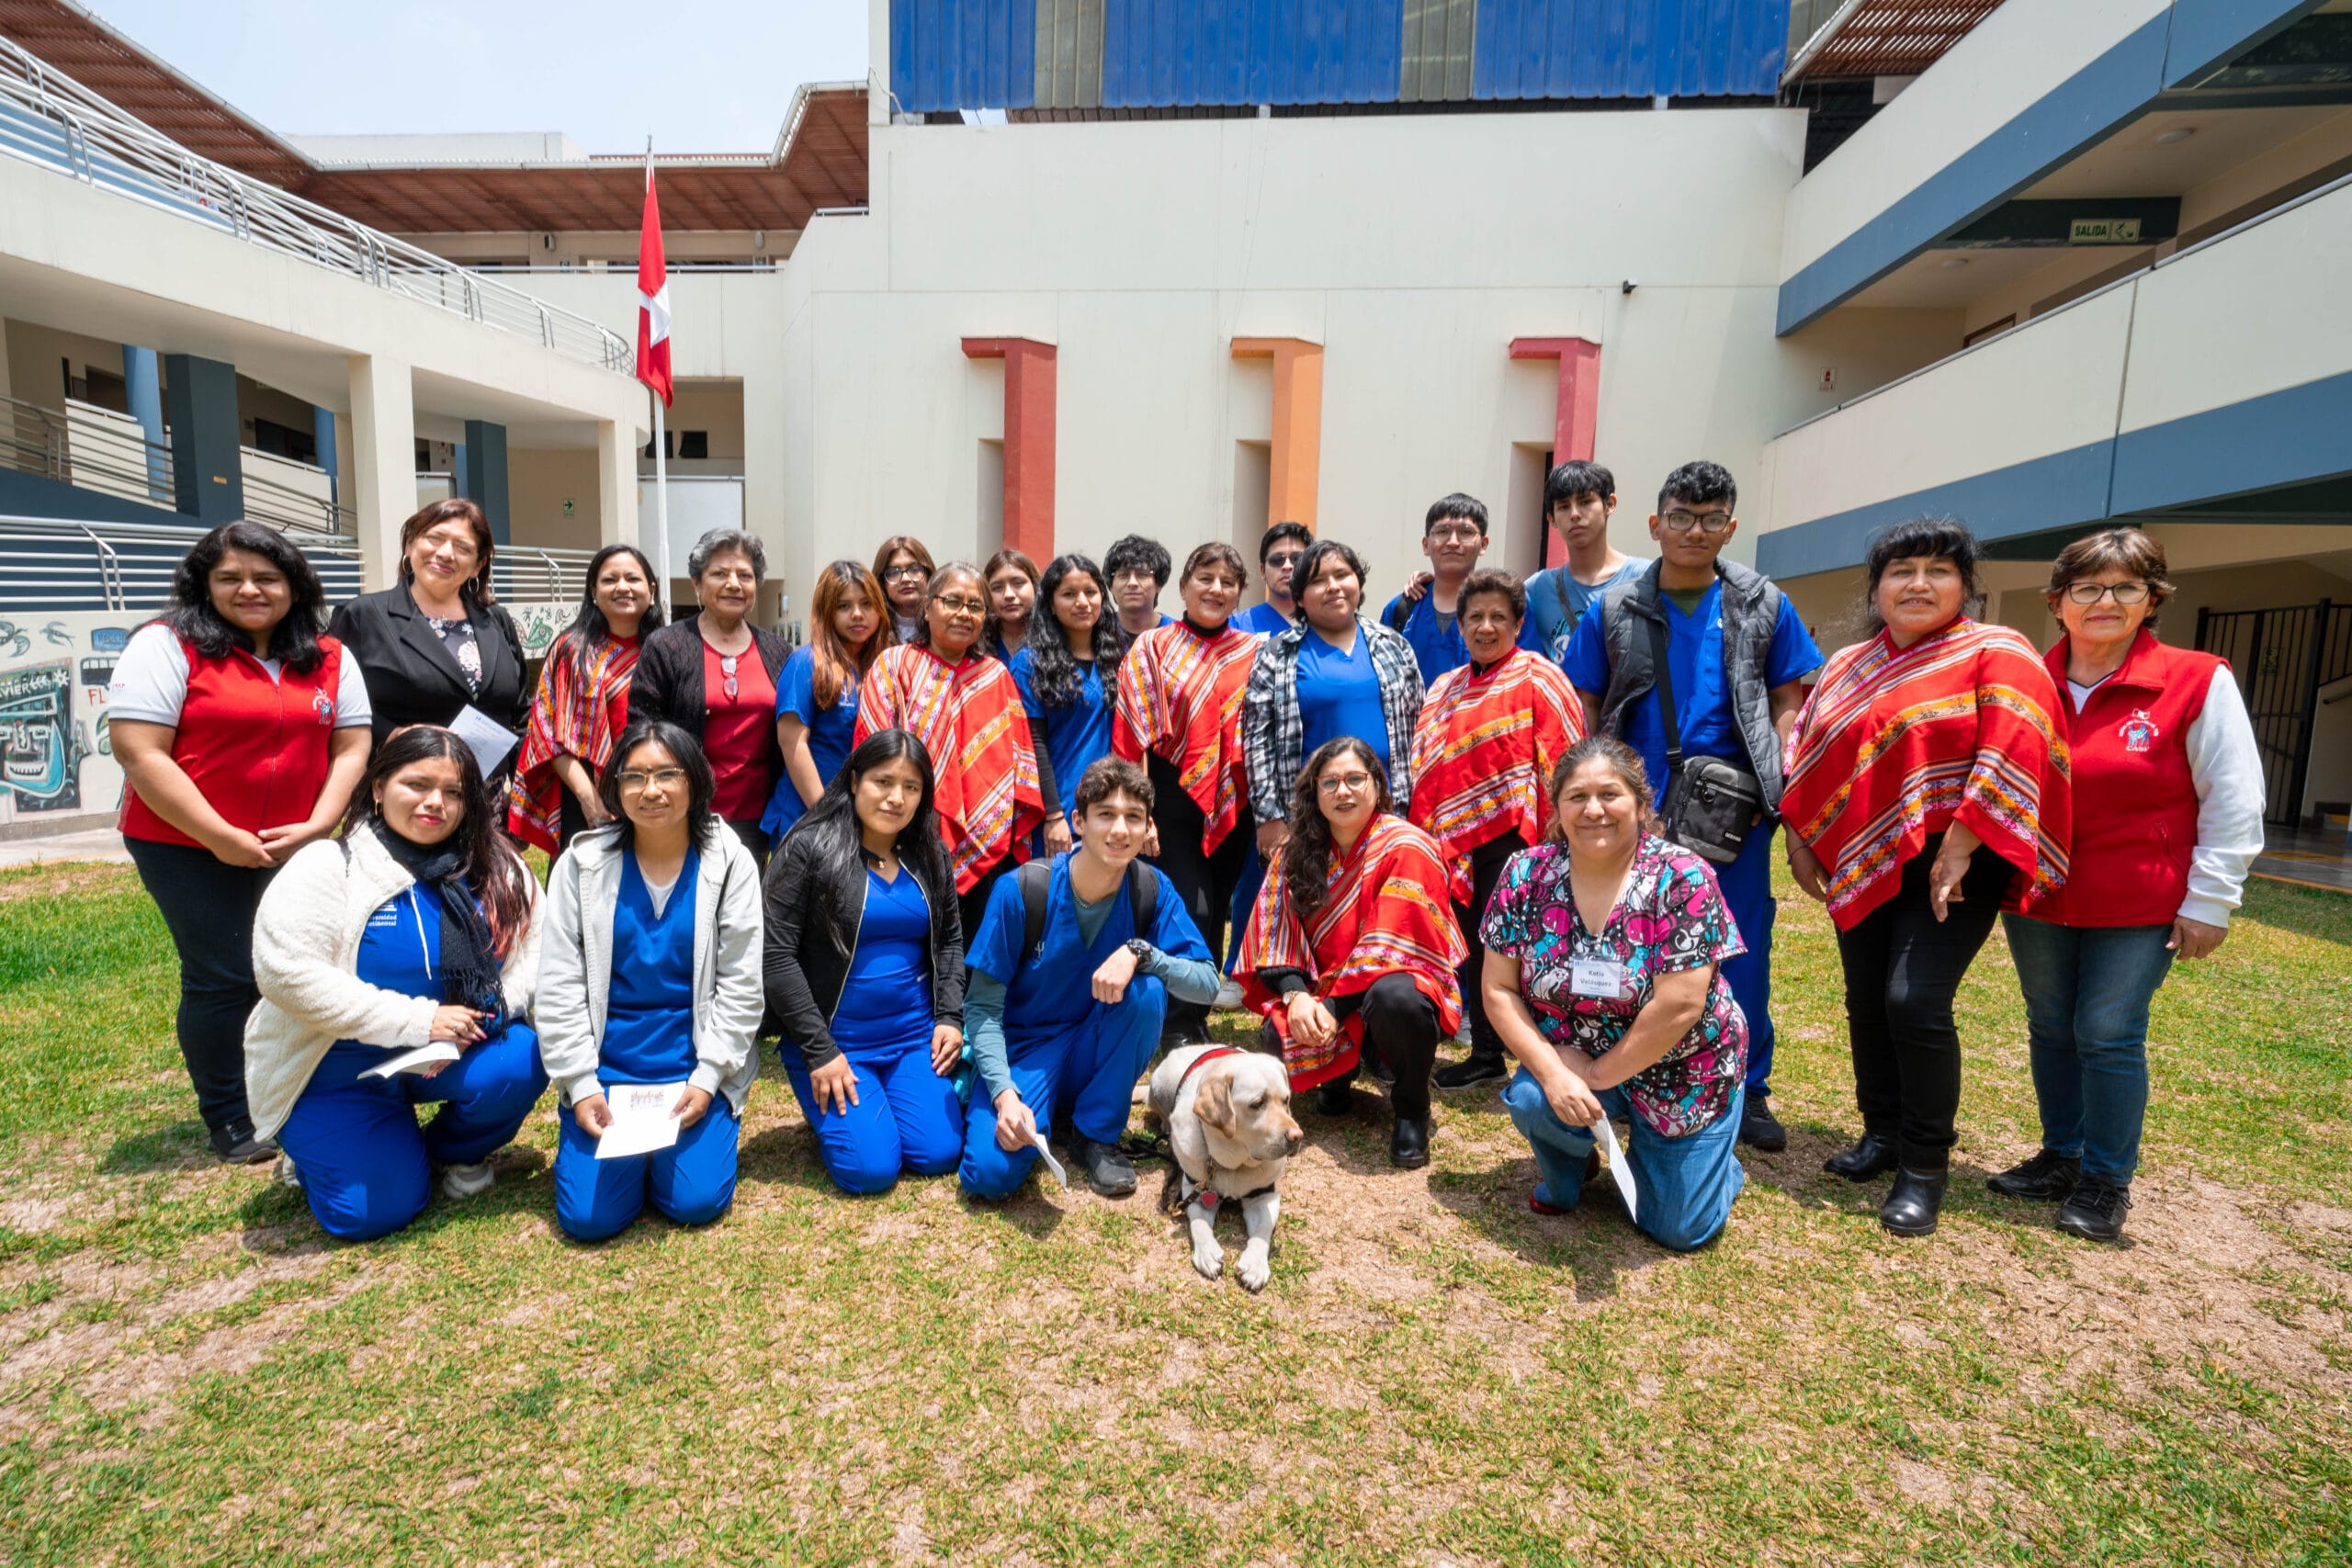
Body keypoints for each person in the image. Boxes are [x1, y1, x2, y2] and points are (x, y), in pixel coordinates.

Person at [1782, 517, 2071, 1238]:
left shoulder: (1998, 651)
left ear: (1966, 587)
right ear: (1876, 587)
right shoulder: (1849, 664)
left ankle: (1924, 1166)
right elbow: (1808, 753)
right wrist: (1802, 839)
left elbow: (2017, 742)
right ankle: (1880, 1131)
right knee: (1865, 1000)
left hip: (1963, 858)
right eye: (1900, 570)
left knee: (1913, 999)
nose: (1917, 584)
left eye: (1937, 571)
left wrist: (1963, 841)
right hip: (1867, 856)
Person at [1990, 527, 2263, 1243]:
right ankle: (2061, 1154)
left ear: (2152, 598)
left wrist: (2211, 900)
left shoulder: (2198, 679)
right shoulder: (2025, 680)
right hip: (2039, 892)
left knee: (2107, 1033)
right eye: (2087, 587)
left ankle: (2107, 1179)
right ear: (2058, 602)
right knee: (2050, 1024)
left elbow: (2234, 796)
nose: (2104, 601)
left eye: (2125, 587)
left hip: (2140, 899)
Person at [1561, 460, 1821, 1153]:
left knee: (1741, 947)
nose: (1694, 530)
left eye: (1710, 519)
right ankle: (1629, 1075)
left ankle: (1747, 1088)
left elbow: (1787, 695)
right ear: (1655, 523)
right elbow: (1584, 699)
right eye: (1680, 517)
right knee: (1627, 943)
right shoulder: (1614, 606)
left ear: (1730, 526)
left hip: (1731, 808)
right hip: (1629, 806)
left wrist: (1779, 766)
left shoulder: (1764, 602)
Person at [110, 521, 374, 1164]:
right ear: (204, 584)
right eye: (230, 578)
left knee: (300, 964)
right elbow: (140, 752)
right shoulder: (165, 644)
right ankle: (232, 1114)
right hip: (186, 845)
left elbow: (352, 745)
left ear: (294, 585)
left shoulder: (328, 654)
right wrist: (219, 835)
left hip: (298, 842)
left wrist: (318, 824)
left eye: (267, 577)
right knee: (225, 974)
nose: (249, 589)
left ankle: (288, 1088)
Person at [245, 727, 546, 1240]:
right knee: (371, 1213)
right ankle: (330, 1150)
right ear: (379, 787)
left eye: (453, 792)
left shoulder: (498, 868)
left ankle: (447, 1153)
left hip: (445, 1054)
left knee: (522, 1058)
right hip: (335, 1066)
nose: (436, 803)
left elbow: (535, 957)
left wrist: (498, 1006)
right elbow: (286, 973)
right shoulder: (328, 866)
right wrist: (419, 1020)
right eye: (418, 785)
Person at [1481, 738, 1750, 1251]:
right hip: (1574, 1056)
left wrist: (1595, 1075)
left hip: (1683, 1067)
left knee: (1677, 1230)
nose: (1594, 809)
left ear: (1642, 804)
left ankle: (1714, 1164)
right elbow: (1497, 989)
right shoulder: (1526, 874)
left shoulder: (1683, 878)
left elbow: (1681, 1005)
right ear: (1557, 809)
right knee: (1536, 1097)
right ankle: (1572, 1165)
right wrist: (1555, 1071)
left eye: (1610, 793)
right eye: (1577, 796)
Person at [537, 721, 764, 1242]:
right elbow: (558, 985)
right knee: (590, 1219)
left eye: (667, 774)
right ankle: (622, 1146)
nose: (652, 790)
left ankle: (681, 1145)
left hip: (693, 1069)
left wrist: (709, 1079)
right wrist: (579, 1082)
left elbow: (742, 986)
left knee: (695, 1201)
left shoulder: (729, 862)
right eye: (635, 777)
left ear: (695, 782)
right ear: (615, 787)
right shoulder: (581, 865)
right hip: (608, 1068)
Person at [960, 759, 1219, 1200]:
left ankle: (1095, 1135)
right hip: (1026, 1053)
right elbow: (981, 1010)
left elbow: (1207, 983)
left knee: (1147, 990)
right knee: (989, 1174)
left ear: (1147, 827)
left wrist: (1143, 953)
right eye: (1106, 814)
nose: (1120, 829)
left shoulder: (1150, 890)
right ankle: (1037, 1108)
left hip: (1094, 1047)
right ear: (1078, 821)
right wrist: (1004, 1094)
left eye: (1133, 817)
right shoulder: (1022, 890)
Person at [1234, 737, 1465, 1168]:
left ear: (1377, 786)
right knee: (1274, 1037)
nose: (1343, 791)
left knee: (1397, 1000)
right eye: (1330, 783)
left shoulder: (1407, 846)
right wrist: (1296, 996)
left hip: (1392, 985)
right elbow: (1272, 933)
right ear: (1314, 793)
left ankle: (1412, 1109)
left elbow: (1393, 945)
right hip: (1324, 992)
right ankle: (1337, 1075)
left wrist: (1332, 1009)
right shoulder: (1294, 850)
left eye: (1355, 779)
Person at [765, 730, 967, 1194]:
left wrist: (949, 1017)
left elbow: (950, 941)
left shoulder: (930, 852)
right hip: (837, 1045)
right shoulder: (809, 847)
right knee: (870, 1171)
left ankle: (888, 1100)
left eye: (911, 787)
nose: (897, 798)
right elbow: (775, 956)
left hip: (913, 1037)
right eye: (883, 782)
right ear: (855, 781)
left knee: (939, 1153)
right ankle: (840, 1105)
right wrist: (820, 1051)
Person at [1408, 570, 1586, 1089]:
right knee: (1475, 948)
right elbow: (1428, 765)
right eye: (1475, 618)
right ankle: (1486, 1052)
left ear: (1518, 622)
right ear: (1460, 625)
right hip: (1453, 845)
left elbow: (1565, 761)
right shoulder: (1445, 687)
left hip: (1517, 841)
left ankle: (1549, 1058)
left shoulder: (1540, 676)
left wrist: (1560, 840)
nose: (1486, 627)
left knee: (1523, 950)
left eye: (1498, 617)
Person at [1113, 543, 1262, 1043]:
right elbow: (1133, 732)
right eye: (1205, 578)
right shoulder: (1152, 647)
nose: (1215, 589)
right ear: (1183, 587)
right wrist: (1141, 810)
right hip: (1169, 798)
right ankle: (1176, 1023)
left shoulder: (1254, 652)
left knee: (1216, 907)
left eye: (1227, 582)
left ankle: (1192, 1011)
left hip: (1233, 805)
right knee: (1191, 911)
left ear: (1239, 593)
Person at [856, 560, 1048, 938]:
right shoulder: (894, 666)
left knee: (975, 947)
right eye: (953, 602)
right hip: (905, 833)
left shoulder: (996, 676)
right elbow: (873, 751)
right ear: (928, 608)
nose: (964, 614)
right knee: (914, 941)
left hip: (985, 838)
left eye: (975, 606)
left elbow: (1019, 761)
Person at [1240, 537, 1422, 871]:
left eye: (1342, 575)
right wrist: (1269, 817)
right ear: (1299, 597)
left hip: (1387, 815)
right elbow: (1256, 742)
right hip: (1309, 820)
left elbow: (1419, 729)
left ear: (1358, 582)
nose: (1333, 587)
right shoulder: (1277, 654)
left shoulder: (1394, 647)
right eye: (1318, 580)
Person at [627, 528, 791, 863]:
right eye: (719, 574)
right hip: (685, 814)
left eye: (745, 575)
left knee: (745, 909)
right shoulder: (667, 646)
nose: (734, 583)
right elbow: (641, 730)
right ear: (697, 584)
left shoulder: (778, 651)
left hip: (758, 817)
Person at [327, 499, 527, 758]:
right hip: (407, 787)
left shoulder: (496, 621)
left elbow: (522, 709)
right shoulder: (362, 616)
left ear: (477, 565)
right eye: (435, 538)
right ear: (410, 545)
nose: (445, 553)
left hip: (493, 793)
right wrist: (393, 735)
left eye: (462, 548)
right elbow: (331, 703)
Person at [505, 544, 663, 853]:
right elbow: (547, 736)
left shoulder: (666, 650)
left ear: (651, 589)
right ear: (593, 590)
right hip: (587, 799)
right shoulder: (572, 650)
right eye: (609, 580)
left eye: (633, 579)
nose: (622, 587)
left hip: (655, 792)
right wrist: (590, 800)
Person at [763, 558, 887, 841]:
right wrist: (826, 816)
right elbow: (792, 743)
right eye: (844, 606)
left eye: (866, 604)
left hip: (860, 821)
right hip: (808, 819)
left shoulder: (880, 666)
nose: (857, 614)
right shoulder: (805, 662)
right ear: (827, 612)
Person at [1012, 553, 1125, 858]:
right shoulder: (1029, 663)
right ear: (1050, 603)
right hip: (1058, 812)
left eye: (1090, 592)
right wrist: (1053, 815)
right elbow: (1032, 743)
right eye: (1069, 594)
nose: (1082, 602)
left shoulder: (1117, 659)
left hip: (1109, 808)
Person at [1520, 460, 1648, 663]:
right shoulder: (1537, 590)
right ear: (1551, 519)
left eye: (1585, 502)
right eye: (1563, 507)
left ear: (1610, 504)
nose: (1575, 514)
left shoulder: (1644, 578)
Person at [1380, 493, 1490, 684]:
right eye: (1442, 532)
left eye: (1465, 532)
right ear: (1426, 545)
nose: (1453, 542)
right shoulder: (1401, 609)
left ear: (1483, 545)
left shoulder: (1502, 609)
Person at [1233, 521, 1311, 636]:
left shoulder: (1328, 627)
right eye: (1277, 560)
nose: (1287, 566)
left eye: (1297, 559)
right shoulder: (1237, 627)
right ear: (1263, 570)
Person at [1104, 534, 1176, 638]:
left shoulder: (1176, 634)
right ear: (1111, 585)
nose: (1132, 583)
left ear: (1158, 584)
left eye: (1142, 575)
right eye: (1123, 575)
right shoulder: (1098, 631)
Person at [980, 548, 1040, 662]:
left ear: (1035, 585)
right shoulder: (977, 646)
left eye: (1018, 583)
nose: (1008, 595)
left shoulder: (1054, 640)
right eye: (997, 587)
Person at [874, 536, 935, 645]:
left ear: (928, 574)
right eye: (893, 573)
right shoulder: (873, 629)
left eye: (914, 569)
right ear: (882, 583)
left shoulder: (942, 624)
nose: (905, 579)